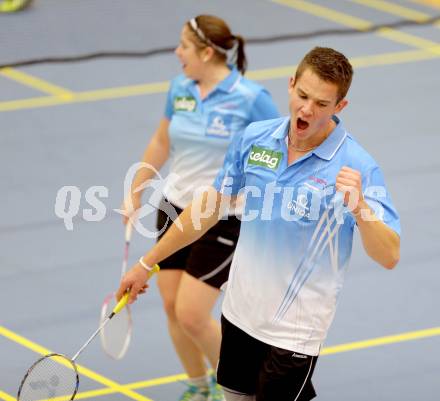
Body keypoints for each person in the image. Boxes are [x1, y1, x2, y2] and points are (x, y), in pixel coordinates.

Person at [118, 47, 400, 401]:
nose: (307, 110)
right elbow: (206, 209)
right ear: (291, 83)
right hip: (238, 316)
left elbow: (388, 254)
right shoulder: (255, 138)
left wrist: (360, 209)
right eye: (302, 95)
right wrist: (147, 263)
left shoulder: (357, 166)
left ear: (340, 107)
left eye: (322, 104)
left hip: (293, 333)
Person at [121, 15, 279, 401]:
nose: (177, 52)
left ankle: (244, 392)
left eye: (184, 47)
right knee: (172, 306)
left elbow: (277, 155)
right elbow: (161, 140)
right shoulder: (180, 88)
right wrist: (135, 191)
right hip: (174, 207)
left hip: (224, 217)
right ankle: (199, 385)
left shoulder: (251, 98)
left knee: (192, 313)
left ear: (207, 52)